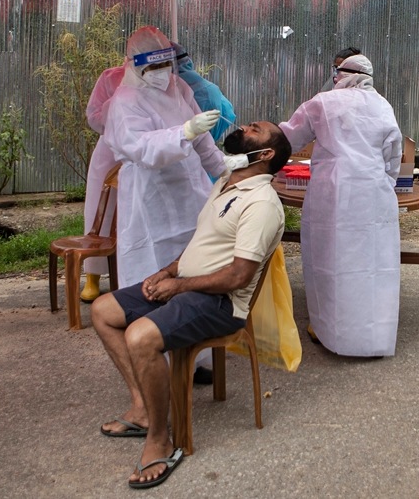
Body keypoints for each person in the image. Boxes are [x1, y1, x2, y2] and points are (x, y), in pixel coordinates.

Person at [91, 121, 291, 489]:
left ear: (265, 154)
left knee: (140, 337)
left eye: (255, 130)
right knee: (103, 310)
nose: (244, 127)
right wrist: (167, 272)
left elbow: (238, 277)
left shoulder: (262, 203)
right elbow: (202, 244)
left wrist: (178, 286)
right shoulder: (226, 182)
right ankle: (143, 409)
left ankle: (160, 440)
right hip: (188, 286)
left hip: (221, 304)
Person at [280, 53, 403, 356]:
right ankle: (375, 337)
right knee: (374, 264)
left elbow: (288, 138)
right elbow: (393, 153)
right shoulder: (383, 105)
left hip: (332, 193)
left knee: (330, 262)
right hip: (373, 192)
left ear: (342, 74)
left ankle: (329, 331)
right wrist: (385, 182)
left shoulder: (323, 102)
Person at [102, 26, 227, 288]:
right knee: (152, 267)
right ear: (134, 64)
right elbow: (141, 148)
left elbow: (201, 139)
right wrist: (184, 132)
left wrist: (224, 167)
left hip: (189, 190)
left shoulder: (177, 86)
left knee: (195, 259)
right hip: (150, 194)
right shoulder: (125, 100)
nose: (161, 72)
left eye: (165, 64)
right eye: (153, 66)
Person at [80, 64, 125, 302]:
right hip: (109, 150)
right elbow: (94, 116)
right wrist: (116, 110)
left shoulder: (168, 79)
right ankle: (93, 277)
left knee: (139, 215)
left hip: (148, 147)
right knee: (99, 212)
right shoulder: (110, 76)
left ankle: (132, 277)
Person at [175, 43, 236, 142]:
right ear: (188, 59)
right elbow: (229, 114)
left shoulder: (167, 89)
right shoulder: (211, 89)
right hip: (207, 143)